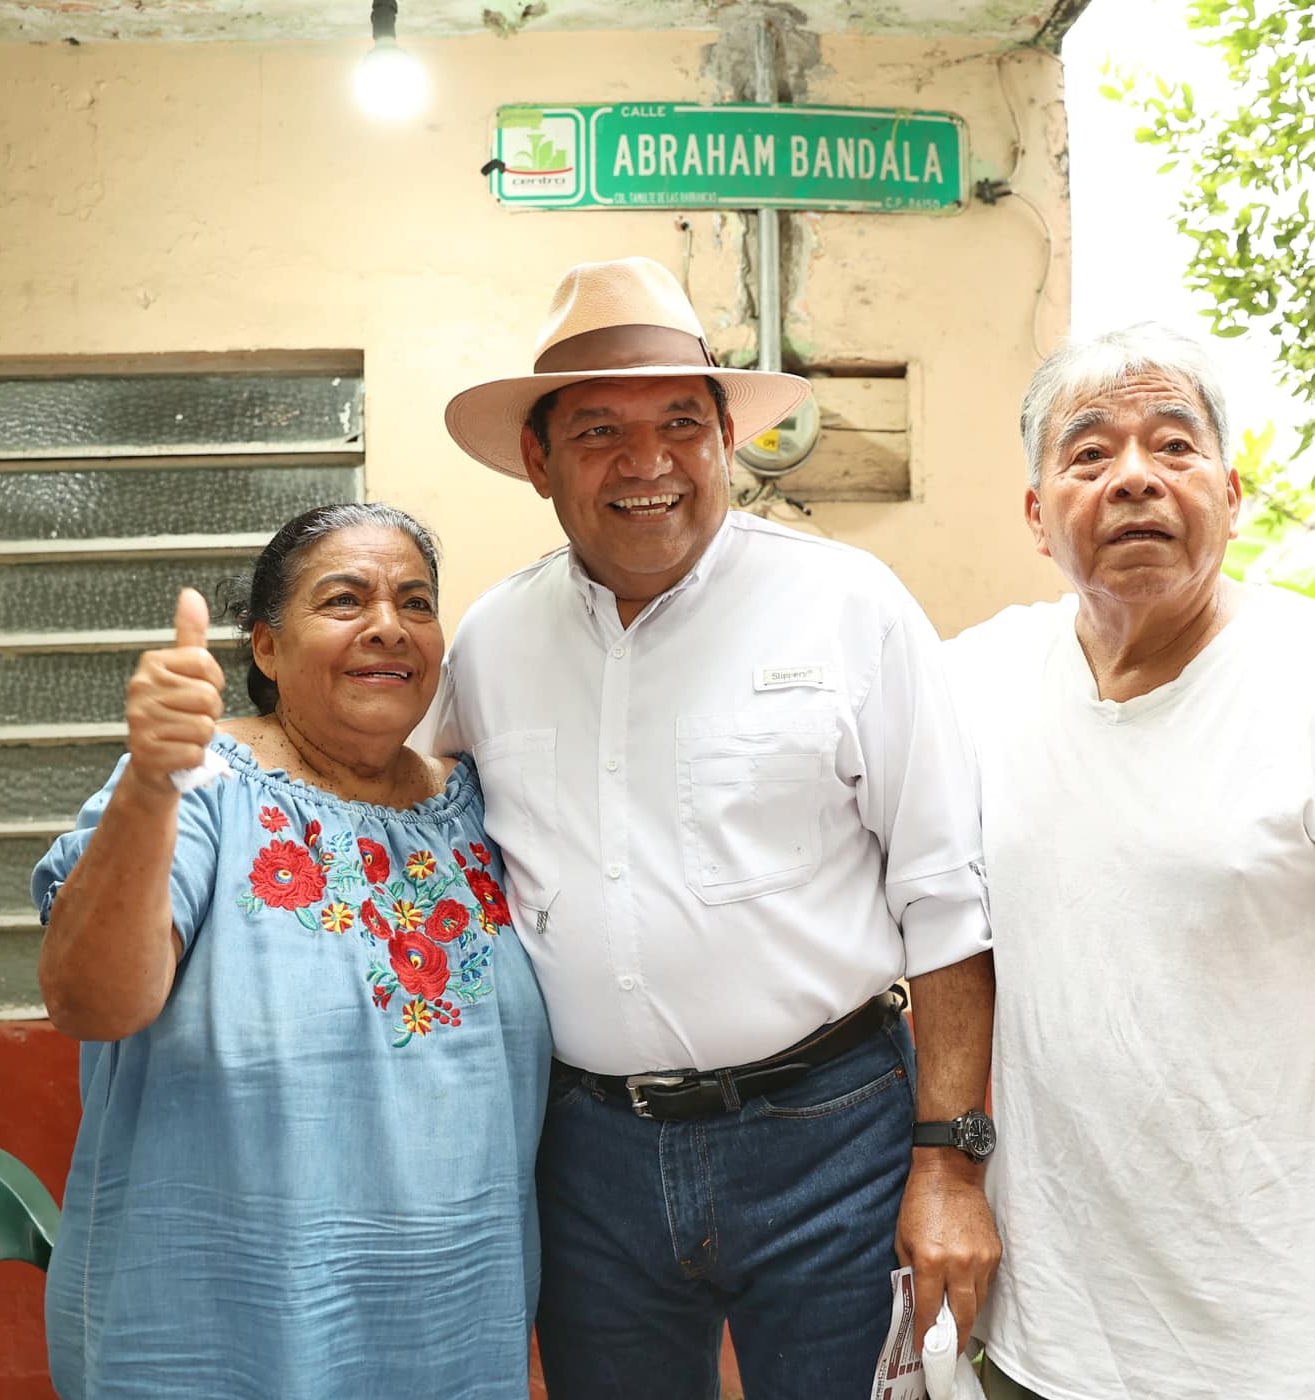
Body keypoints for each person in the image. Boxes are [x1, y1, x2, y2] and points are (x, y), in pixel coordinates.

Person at [429, 255, 1000, 1399]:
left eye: (680, 421)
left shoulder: (851, 608)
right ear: (537, 458)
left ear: (725, 440)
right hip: (587, 1157)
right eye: (597, 430)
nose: (647, 464)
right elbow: (405, 825)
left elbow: (945, 897)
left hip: (832, 1138)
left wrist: (948, 1161)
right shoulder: (491, 641)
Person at [946, 324, 1315, 1400]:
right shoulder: (972, 680)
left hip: (1280, 1339)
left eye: (1172, 446)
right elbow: (952, 949)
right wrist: (943, 1169)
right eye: (1088, 453)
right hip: (1043, 1326)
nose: (1133, 476)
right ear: (1034, 512)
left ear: (1229, 495)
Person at [32, 503, 550, 1399]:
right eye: (344, 600)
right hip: (219, 1332)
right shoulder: (198, 784)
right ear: (266, 649)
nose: (388, 626)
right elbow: (92, 1003)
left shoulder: (475, 807)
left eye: (416, 603)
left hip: (450, 1329)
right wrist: (154, 779)